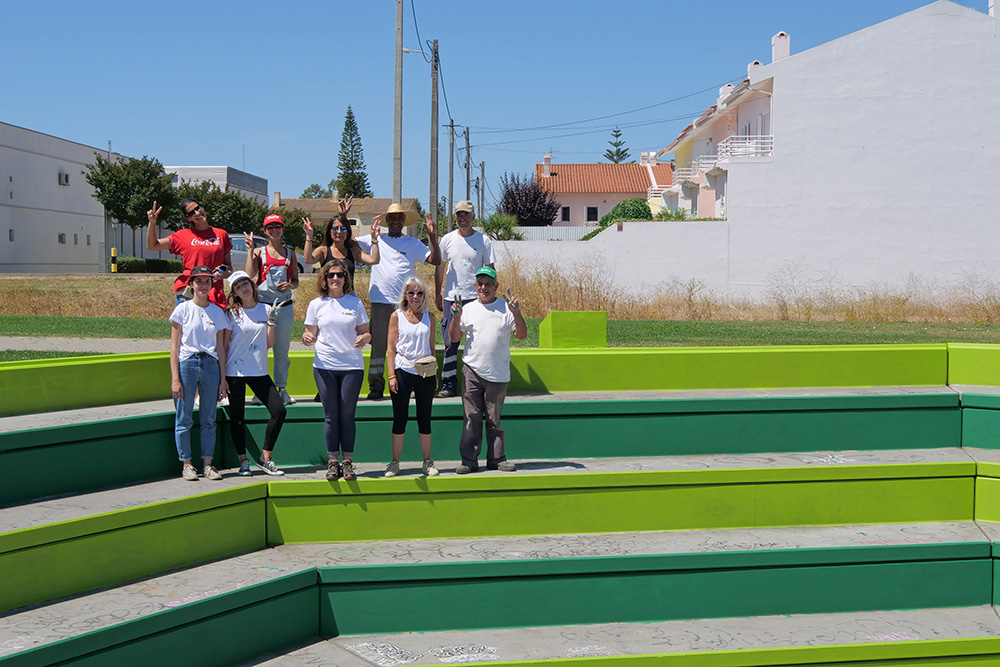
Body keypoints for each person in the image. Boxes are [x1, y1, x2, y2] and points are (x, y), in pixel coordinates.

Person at [355, 202, 440, 400]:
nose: (394, 221)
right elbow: (347, 242)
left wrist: (432, 236)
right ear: (386, 221)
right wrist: (343, 218)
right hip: (380, 301)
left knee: (408, 342)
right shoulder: (375, 239)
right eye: (391, 217)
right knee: (379, 345)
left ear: (403, 221)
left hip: (406, 304)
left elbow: (435, 260)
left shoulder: (413, 243)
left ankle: (409, 381)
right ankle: (376, 385)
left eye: (398, 217)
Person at [448, 266, 527, 474]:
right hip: (472, 370)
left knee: (494, 419)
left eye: (488, 284)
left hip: (498, 373)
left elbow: (521, 334)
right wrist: (455, 318)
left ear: (496, 286)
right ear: (476, 287)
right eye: (480, 284)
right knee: (471, 418)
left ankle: (497, 459)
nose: (484, 288)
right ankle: (469, 460)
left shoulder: (506, 309)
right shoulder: (469, 309)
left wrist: (517, 314)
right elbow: (454, 338)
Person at [302, 259, 372, 481]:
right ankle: (333, 462)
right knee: (331, 416)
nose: (335, 279)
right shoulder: (316, 304)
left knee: (347, 415)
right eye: (331, 275)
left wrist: (364, 337)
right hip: (324, 366)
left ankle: (348, 462)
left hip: (352, 366)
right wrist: (307, 337)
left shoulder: (356, 303)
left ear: (345, 278)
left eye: (340, 275)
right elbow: (309, 333)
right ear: (324, 278)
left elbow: (366, 332)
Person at [223, 270, 288, 476]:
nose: (244, 288)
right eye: (238, 286)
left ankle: (265, 458)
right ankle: (243, 461)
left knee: (279, 412)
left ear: (252, 285)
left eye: (246, 283)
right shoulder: (231, 313)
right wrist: (222, 378)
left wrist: (271, 322)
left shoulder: (266, 309)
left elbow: (270, 344)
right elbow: (224, 346)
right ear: (234, 292)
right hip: (235, 373)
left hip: (259, 371)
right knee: (237, 418)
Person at [169, 266, 230, 481]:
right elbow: (174, 348)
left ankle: (208, 464)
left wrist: (223, 380)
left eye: (207, 281)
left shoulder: (217, 312)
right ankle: (186, 463)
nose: (203, 285)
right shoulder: (182, 310)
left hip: (210, 365)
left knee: (208, 418)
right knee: (184, 417)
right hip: (187, 363)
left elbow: (220, 348)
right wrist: (175, 379)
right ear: (192, 284)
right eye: (199, 281)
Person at [434, 200, 496, 398]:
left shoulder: (484, 241)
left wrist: (490, 296)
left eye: (466, 215)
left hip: (477, 299)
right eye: (459, 215)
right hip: (452, 298)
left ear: (473, 218)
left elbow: (490, 270)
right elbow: (440, 267)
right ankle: (448, 384)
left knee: (478, 340)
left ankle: (479, 383)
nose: (462, 219)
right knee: (450, 342)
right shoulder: (447, 239)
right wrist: (437, 293)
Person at [385, 276, 439, 477]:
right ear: (405, 295)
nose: (415, 296)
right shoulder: (396, 316)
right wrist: (391, 376)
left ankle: (427, 461)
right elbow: (390, 348)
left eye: (419, 293)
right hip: (403, 370)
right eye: (411, 292)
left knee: (424, 418)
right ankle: (395, 462)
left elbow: (432, 347)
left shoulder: (429, 317)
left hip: (425, 371)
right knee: (400, 418)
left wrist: (435, 373)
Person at [244, 214, 298, 405]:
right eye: (270, 227)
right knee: (260, 349)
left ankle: (281, 388)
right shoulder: (259, 252)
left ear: (283, 229)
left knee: (281, 350)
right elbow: (250, 275)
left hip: (284, 306)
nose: (274, 230)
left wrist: (290, 285)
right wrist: (250, 250)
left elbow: (296, 281)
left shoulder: (290, 253)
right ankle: (261, 391)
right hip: (263, 306)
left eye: (278, 226)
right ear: (265, 230)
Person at [147, 199, 233, 307]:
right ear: (188, 218)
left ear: (202, 207)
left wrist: (223, 274)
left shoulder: (221, 234)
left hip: (213, 293)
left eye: (197, 208)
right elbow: (152, 245)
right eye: (192, 213)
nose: (197, 213)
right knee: (184, 324)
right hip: (189, 294)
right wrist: (152, 223)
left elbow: (228, 267)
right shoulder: (182, 236)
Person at [302, 197, 381, 287]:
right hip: (328, 296)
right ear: (330, 231)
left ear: (348, 232)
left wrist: (374, 240)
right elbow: (308, 260)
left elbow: (374, 260)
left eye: (343, 229)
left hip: (349, 296)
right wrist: (309, 236)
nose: (339, 232)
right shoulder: (323, 251)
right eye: (335, 228)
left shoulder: (353, 251)